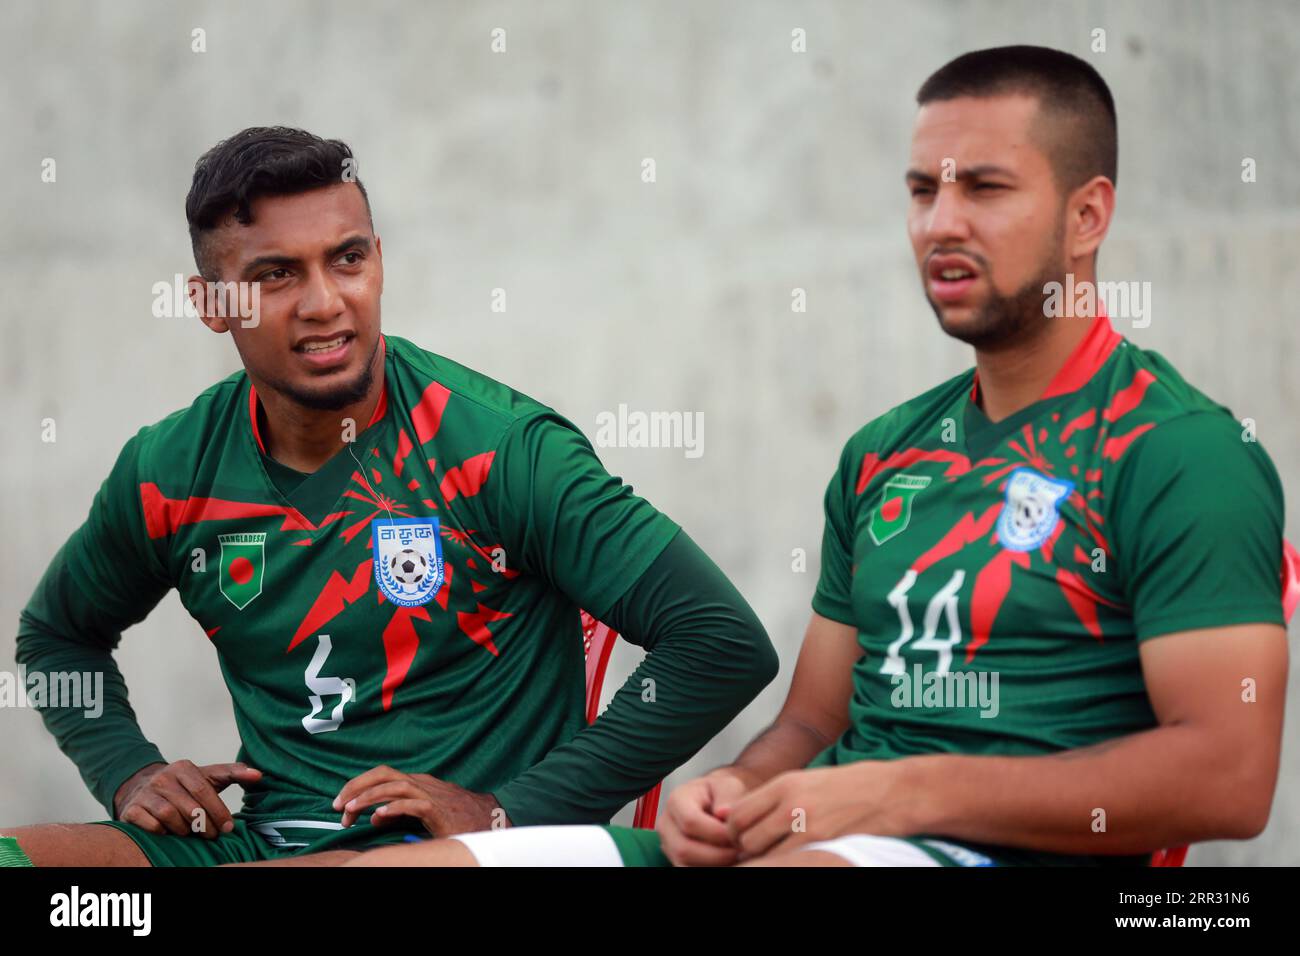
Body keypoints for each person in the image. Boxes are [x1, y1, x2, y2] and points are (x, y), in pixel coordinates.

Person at [346, 45, 1290, 868]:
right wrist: (734, 791)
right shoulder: (885, 451)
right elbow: (813, 721)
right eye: (923, 190)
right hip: (819, 836)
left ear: (1088, 216)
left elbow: (1228, 777)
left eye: (985, 188)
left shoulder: (1180, 452)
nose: (940, 222)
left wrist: (898, 795)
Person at [5, 127, 777, 867]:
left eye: (347, 259)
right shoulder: (169, 469)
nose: (325, 303)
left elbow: (719, 643)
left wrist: (512, 810)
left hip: (451, 854)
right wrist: (128, 772)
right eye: (274, 275)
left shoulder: (499, 450)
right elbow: (56, 636)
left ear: (378, 261)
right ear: (211, 305)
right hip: (264, 841)